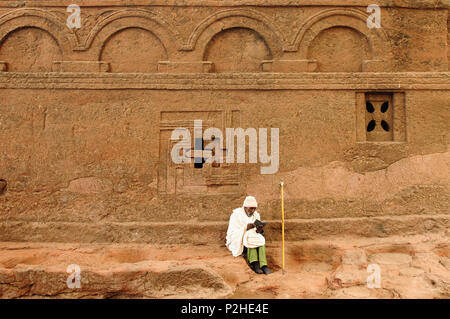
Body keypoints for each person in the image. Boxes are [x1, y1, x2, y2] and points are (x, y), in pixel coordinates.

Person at [225, 196, 272, 275]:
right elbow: (232, 232)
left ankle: (264, 266)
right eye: (251, 208)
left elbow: (256, 231)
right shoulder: (236, 215)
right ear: (245, 207)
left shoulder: (256, 215)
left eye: (254, 209)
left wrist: (259, 230)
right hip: (239, 240)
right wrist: (245, 228)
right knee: (250, 237)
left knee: (260, 239)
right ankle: (255, 264)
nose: (252, 211)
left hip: (252, 237)